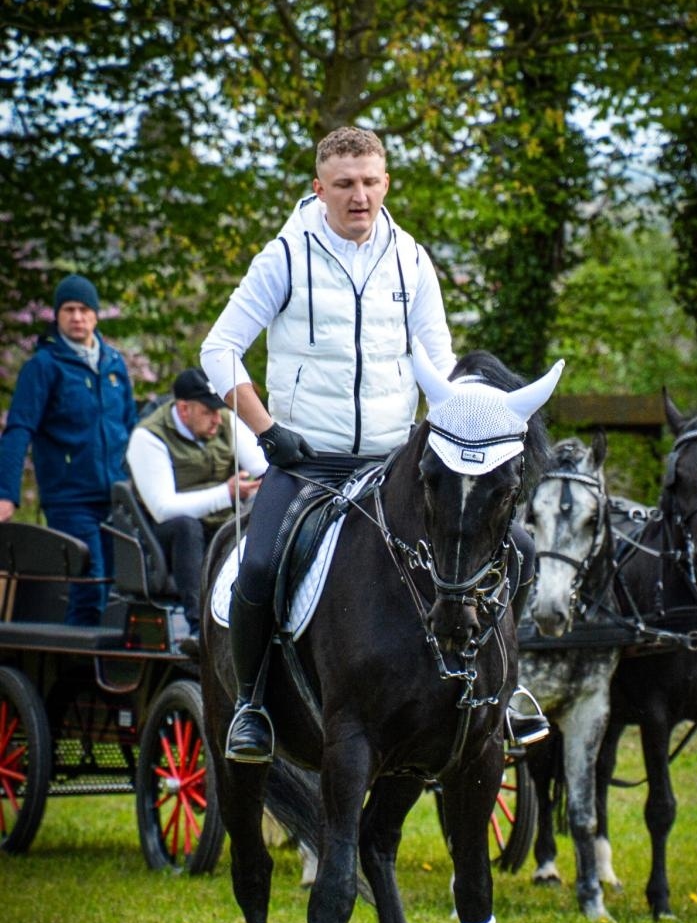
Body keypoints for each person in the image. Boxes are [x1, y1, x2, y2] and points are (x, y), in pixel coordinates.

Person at [201, 125, 543, 762]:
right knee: (256, 569)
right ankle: (251, 707)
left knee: (517, 549)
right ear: (319, 188)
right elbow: (219, 351)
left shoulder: (412, 259)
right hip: (306, 463)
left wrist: (477, 416)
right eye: (344, 185)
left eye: (369, 182)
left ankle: (506, 693)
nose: (359, 196)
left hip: (396, 463)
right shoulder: (284, 257)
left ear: (386, 183)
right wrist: (268, 432)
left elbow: (440, 366)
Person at [0, 274, 137, 625]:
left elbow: (132, 430)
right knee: (88, 586)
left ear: (95, 315)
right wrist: (6, 494)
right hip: (70, 498)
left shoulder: (114, 365)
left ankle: (100, 672)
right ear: (57, 316)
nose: (77, 317)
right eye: (69, 310)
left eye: (84, 310)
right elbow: (18, 430)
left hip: (116, 496)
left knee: (118, 588)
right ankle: (74, 674)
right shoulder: (44, 367)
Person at [126, 367, 265, 648]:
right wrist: (227, 494)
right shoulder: (148, 437)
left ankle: (260, 618)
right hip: (166, 536)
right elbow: (163, 508)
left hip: (223, 523)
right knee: (185, 526)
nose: (217, 418)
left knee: (263, 509)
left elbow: (263, 468)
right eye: (208, 411)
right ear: (184, 409)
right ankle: (199, 627)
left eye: (219, 409)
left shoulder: (225, 420)